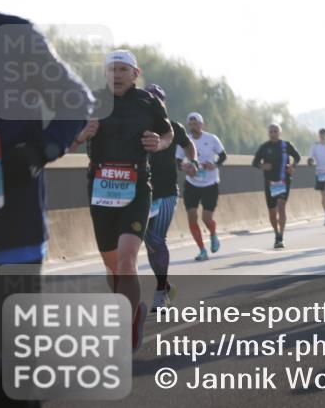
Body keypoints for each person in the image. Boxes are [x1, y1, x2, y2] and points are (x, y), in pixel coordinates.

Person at [0, 0, 92, 408]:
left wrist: (39, 150)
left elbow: (75, 102)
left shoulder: (11, 36)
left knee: (10, 381)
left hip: (9, 235)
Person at [74, 49, 174, 347]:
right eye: (111, 70)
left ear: (135, 73)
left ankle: (126, 324)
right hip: (100, 190)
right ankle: (131, 309)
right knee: (113, 266)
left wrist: (159, 143)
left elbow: (168, 133)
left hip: (137, 187)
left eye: (122, 70)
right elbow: (63, 143)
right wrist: (81, 135)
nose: (116, 75)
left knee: (128, 261)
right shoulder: (91, 100)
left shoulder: (148, 102)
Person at [142, 84, 196, 311]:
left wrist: (191, 162)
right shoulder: (136, 127)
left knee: (156, 239)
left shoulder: (173, 127)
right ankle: (165, 285)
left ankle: (161, 292)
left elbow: (188, 145)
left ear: (163, 103)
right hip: (143, 192)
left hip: (166, 193)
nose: (153, 101)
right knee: (149, 243)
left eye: (157, 98)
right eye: (149, 98)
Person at [180, 112, 226, 261]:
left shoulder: (211, 139)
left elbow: (223, 155)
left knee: (206, 218)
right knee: (192, 217)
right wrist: (184, 167)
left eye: (196, 123)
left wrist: (215, 164)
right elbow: (177, 160)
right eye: (191, 124)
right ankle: (202, 250)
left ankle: (213, 234)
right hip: (192, 183)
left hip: (210, 183)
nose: (194, 127)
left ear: (202, 124)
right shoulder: (185, 141)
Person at [251, 124, 301, 248]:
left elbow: (297, 157)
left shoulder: (286, 145)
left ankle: (281, 237)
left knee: (281, 206)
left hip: (284, 181)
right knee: (272, 212)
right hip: (270, 182)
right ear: (268, 133)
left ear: (280, 132)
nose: (273, 133)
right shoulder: (264, 147)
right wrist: (263, 166)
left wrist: (292, 166)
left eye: (275, 131)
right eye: (271, 131)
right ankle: (276, 232)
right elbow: (255, 163)